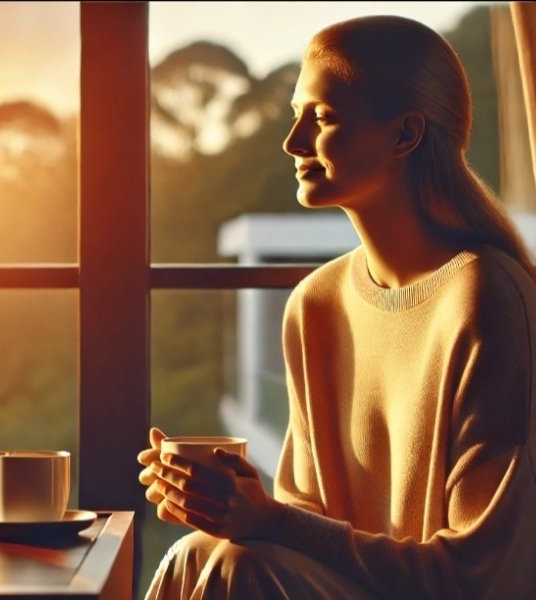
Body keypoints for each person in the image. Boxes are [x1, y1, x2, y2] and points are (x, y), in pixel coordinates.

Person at [137, 14, 536, 600]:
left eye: (320, 118)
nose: (293, 141)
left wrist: (269, 523)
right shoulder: (317, 304)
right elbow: (306, 517)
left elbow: (480, 578)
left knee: (234, 570)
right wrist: (231, 508)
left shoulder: (486, 299)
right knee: (197, 552)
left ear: (406, 134)